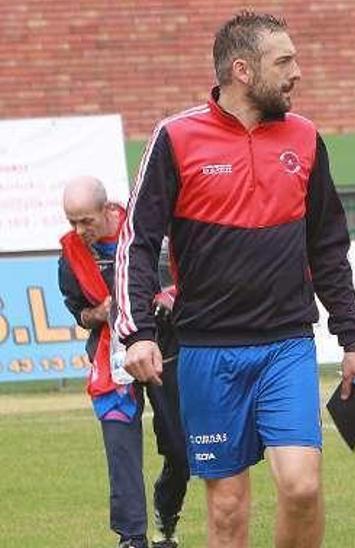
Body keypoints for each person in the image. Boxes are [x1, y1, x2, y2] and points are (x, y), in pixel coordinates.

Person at [114, 11, 355, 547]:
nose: (297, 72)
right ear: (242, 70)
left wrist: (353, 339)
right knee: (228, 510)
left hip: (287, 344)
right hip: (208, 351)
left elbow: (327, 245)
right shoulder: (176, 137)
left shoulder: (305, 139)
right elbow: (136, 241)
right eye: (284, 61)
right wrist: (137, 331)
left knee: (302, 487)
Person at [57, 176, 189, 548]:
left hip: (165, 351)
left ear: (108, 209)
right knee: (121, 450)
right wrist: (97, 313)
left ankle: (166, 512)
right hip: (112, 358)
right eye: (72, 222)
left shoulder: (152, 232)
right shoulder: (70, 255)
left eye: (86, 220)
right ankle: (132, 538)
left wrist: (171, 298)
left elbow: (191, 278)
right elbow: (78, 312)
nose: (79, 230)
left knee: (180, 449)